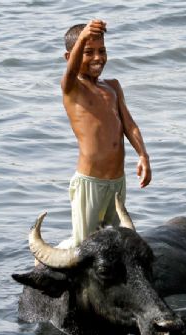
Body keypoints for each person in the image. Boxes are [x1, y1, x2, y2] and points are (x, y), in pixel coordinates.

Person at [59, 19, 151, 248]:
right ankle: (50, 257)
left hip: (117, 181)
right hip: (90, 182)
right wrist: (82, 37)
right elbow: (69, 73)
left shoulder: (113, 86)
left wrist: (143, 156)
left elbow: (129, 124)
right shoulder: (72, 88)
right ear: (69, 57)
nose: (98, 58)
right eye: (88, 52)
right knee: (86, 245)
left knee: (114, 243)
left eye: (102, 51)